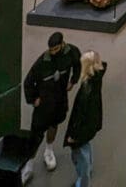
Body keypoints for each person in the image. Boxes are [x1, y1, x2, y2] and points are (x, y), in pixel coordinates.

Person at [21, 31, 81, 182]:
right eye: (51, 49)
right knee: (36, 134)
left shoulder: (70, 52)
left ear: (62, 44)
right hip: (44, 105)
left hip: (59, 100)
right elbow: (28, 82)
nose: (53, 52)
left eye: (55, 49)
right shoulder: (42, 62)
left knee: (54, 125)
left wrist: (73, 80)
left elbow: (77, 63)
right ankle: (28, 165)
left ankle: (49, 150)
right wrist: (33, 99)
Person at [63, 50, 106, 187]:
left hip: (82, 129)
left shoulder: (86, 90)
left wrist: (73, 136)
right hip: (92, 124)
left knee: (80, 157)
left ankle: (82, 183)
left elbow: (79, 115)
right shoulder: (97, 77)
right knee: (86, 149)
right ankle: (87, 173)